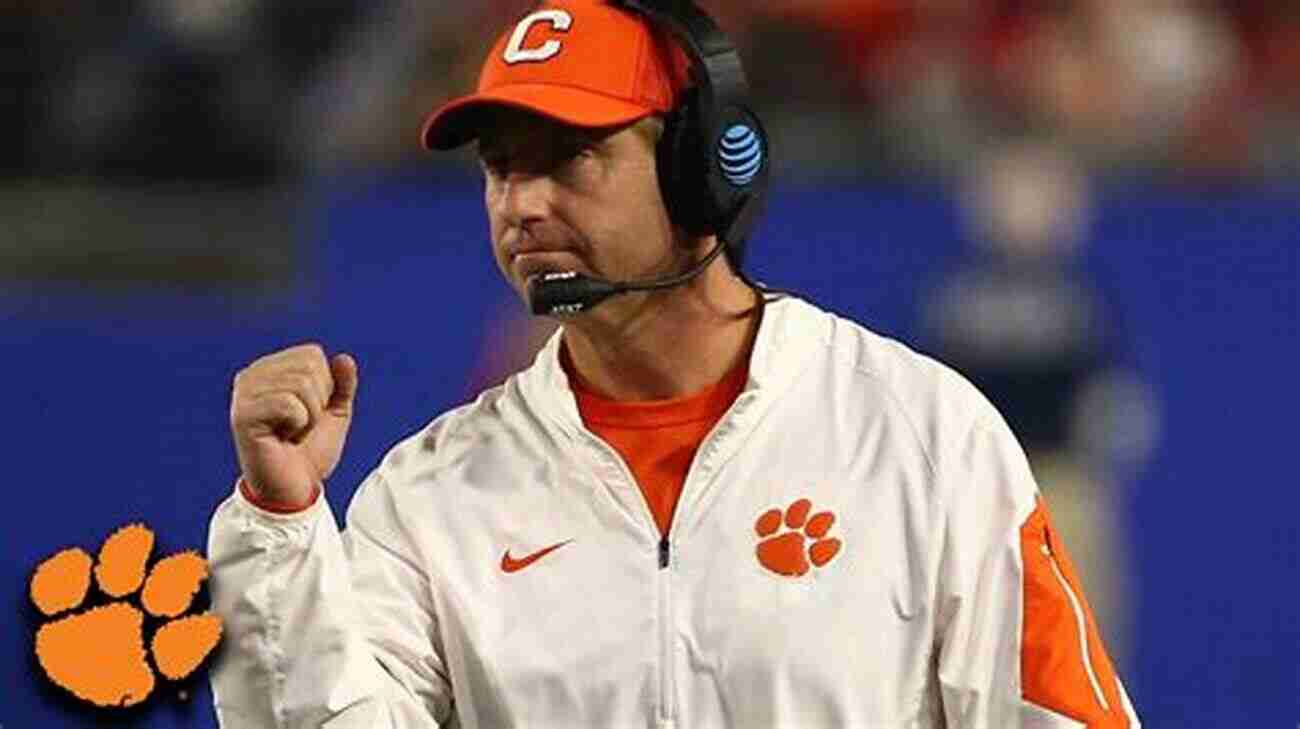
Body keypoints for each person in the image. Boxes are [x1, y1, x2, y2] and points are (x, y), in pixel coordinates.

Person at [207, 1, 1141, 727]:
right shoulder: (431, 495)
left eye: (570, 157)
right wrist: (280, 524)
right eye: (501, 166)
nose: (520, 202)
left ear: (705, 167)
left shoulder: (925, 438)